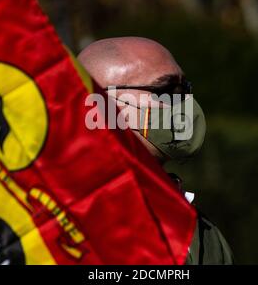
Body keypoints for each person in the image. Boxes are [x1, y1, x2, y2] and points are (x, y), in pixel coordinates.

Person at [77, 36, 233, 264]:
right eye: (166, 89)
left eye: (185, 89)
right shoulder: (52, 224)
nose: (185, 103)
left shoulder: (203, 232)